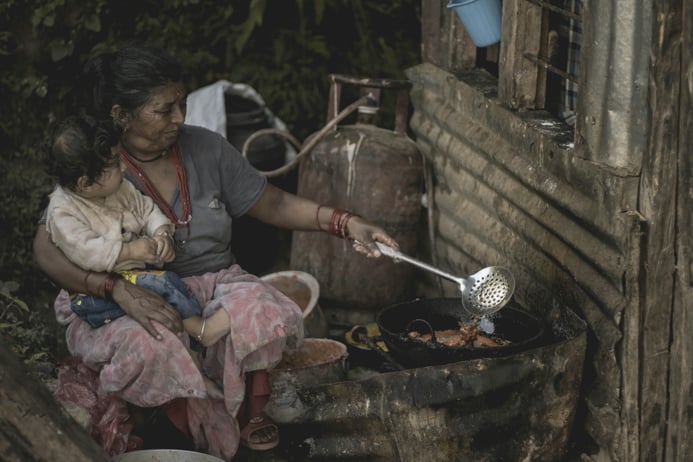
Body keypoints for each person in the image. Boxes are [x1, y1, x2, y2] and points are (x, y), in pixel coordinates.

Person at [32, 43, 398, 460]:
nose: (179, 118)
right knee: (149, 342)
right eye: (164, 109)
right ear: (121, 115)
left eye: (182, 104)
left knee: (259, 307)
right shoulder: (98, 165)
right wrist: (113, 288)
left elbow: (274, 204)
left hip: (216, 284)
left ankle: (247, 413)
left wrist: (345, 222)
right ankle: (163, 430)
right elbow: (45, 247)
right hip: (132, 291)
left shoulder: (206, 148)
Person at [44, 114, 227, 353]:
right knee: (162, 286)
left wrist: (161, 232)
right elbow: (88, 252)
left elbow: (146, 209)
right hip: (93, 295)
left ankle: (190, 349)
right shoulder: (63, 213)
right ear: (85, 183)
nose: (123, 166)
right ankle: (201, 330)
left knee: (163, 287)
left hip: (134, 275)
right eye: (114, 164)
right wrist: (129, 250)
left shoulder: (119, 188)